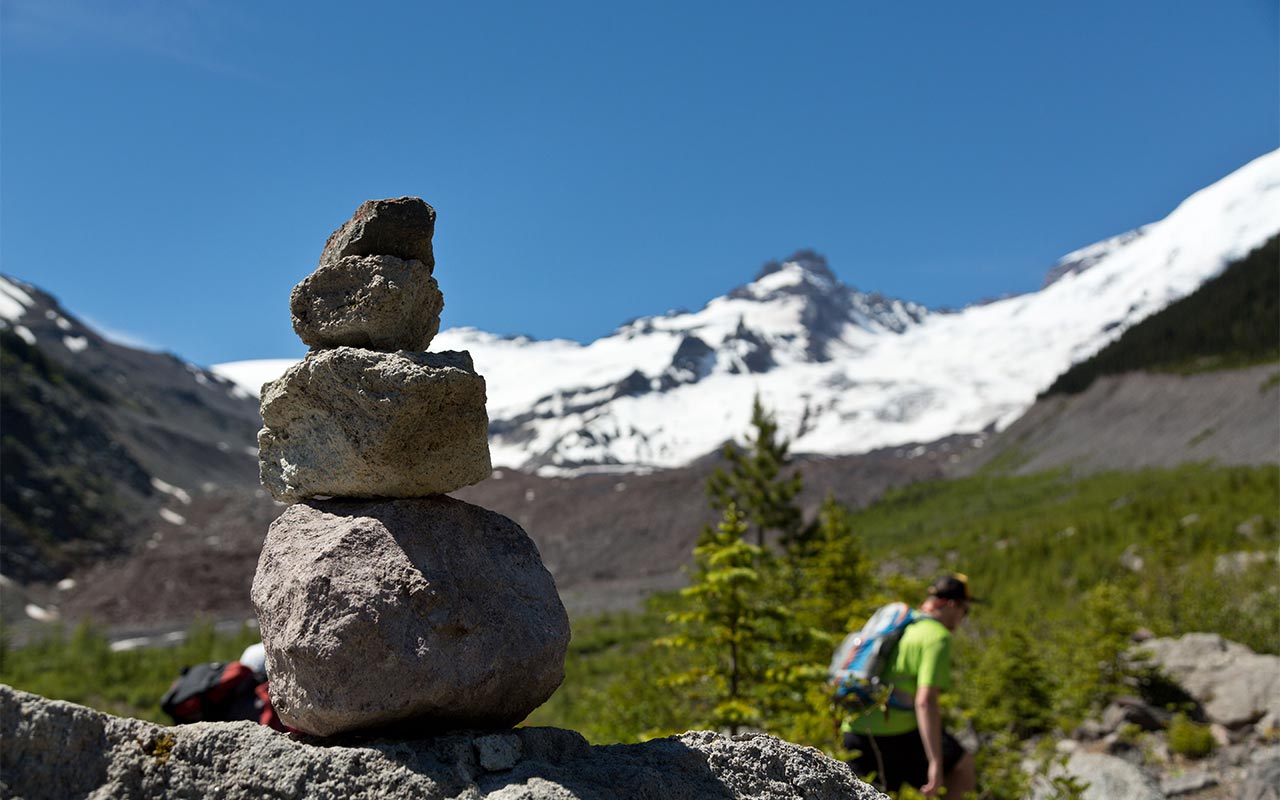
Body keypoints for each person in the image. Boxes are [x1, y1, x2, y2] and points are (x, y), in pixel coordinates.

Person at [842, 574, 978, 797]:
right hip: (894, 737)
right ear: (953, 605)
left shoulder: (900, 625)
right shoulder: (937, 636)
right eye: (966, 610)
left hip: (854, 731)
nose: (963, 617)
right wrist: (935, 763)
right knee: (962, 766)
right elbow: (925, 702)